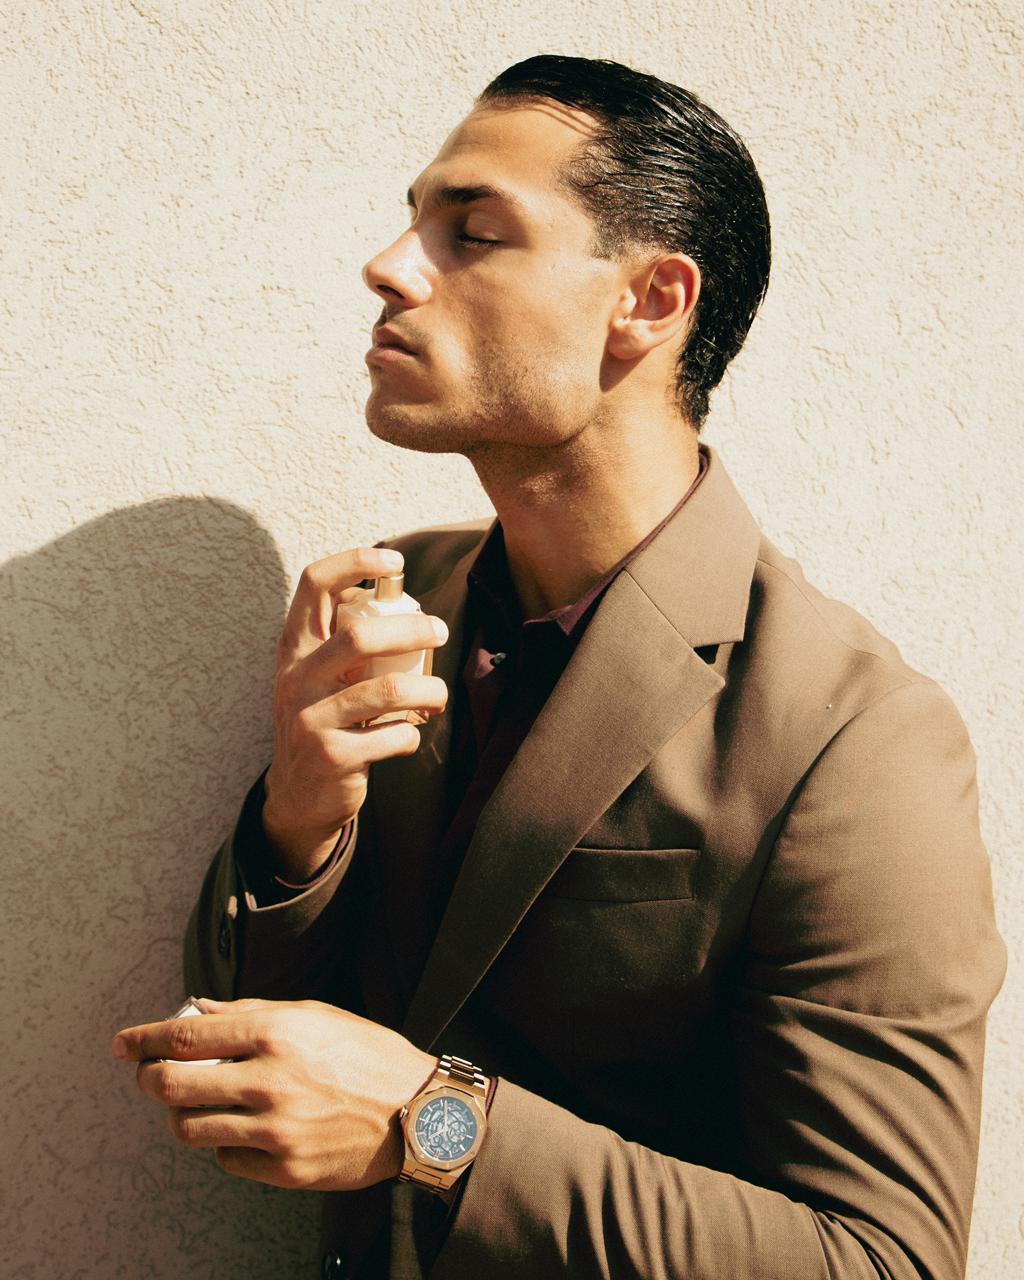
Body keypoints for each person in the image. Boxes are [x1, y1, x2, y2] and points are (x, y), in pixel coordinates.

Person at [112, 55, 1005, 1280]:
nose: (387, 265)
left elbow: (883, 1258)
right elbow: (247, 1045)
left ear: (648, 301)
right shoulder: (399, 608)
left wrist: (434, 1125)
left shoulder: (850, 732)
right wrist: (298, 822)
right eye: (412, 218)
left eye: (472, 232)